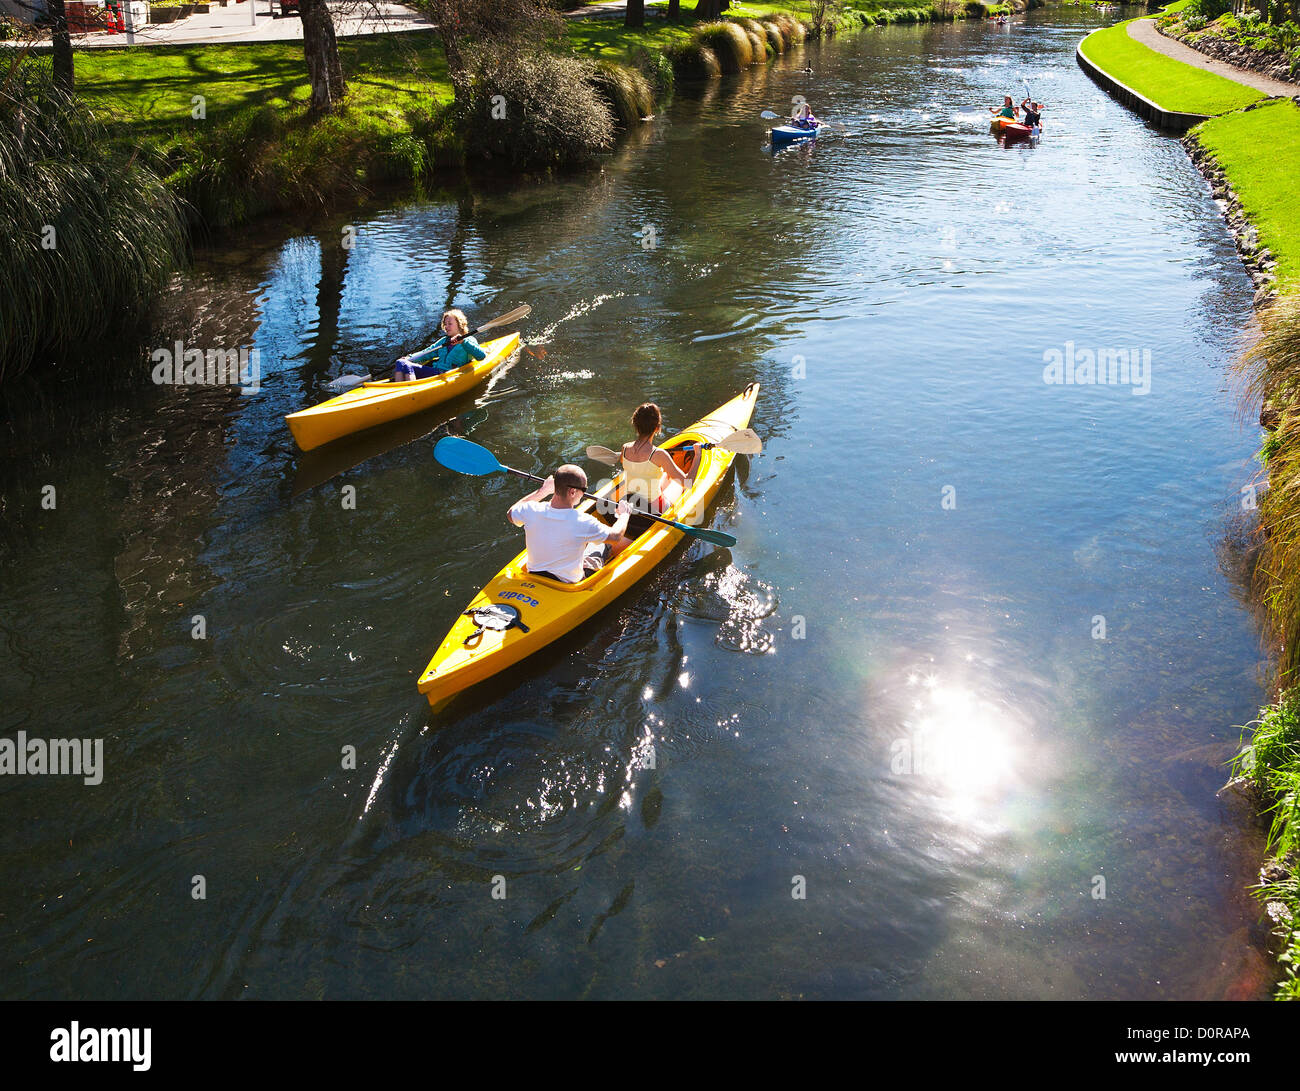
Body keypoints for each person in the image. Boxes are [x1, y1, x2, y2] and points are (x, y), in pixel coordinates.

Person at [508, 465, 632, 584]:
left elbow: (510, 513)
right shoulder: (583, 521)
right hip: (569, 583)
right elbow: (615, 537)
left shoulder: (531, 509)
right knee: (604, 544)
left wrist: (543, 491)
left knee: (586, 538)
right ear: (572, 492)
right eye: (584, 490)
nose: (584, 494)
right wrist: (624, 515)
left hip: (535, 576)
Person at [620, 403, 692, 515]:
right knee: (677, 483)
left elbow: (626, 462)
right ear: (657, 428)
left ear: (635, 424)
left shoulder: (625, 448)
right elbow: (688, 482)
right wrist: (697, 455)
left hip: (629, 502)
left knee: (665, 475)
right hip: (654, 510)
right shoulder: (659, 454)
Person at [393, 309, 486, 382]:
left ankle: (410, 391)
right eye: (445, 324)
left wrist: (463, 341)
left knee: (407, 366)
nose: (446, 326)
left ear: (459, 325)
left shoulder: (468, 340)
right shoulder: (444, 341)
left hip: (448, 375)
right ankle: (399, 389)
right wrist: (410, 358)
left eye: (450, 324)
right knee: (400, 362)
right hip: (436, 372)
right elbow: (427, 353)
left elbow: (481, 356)